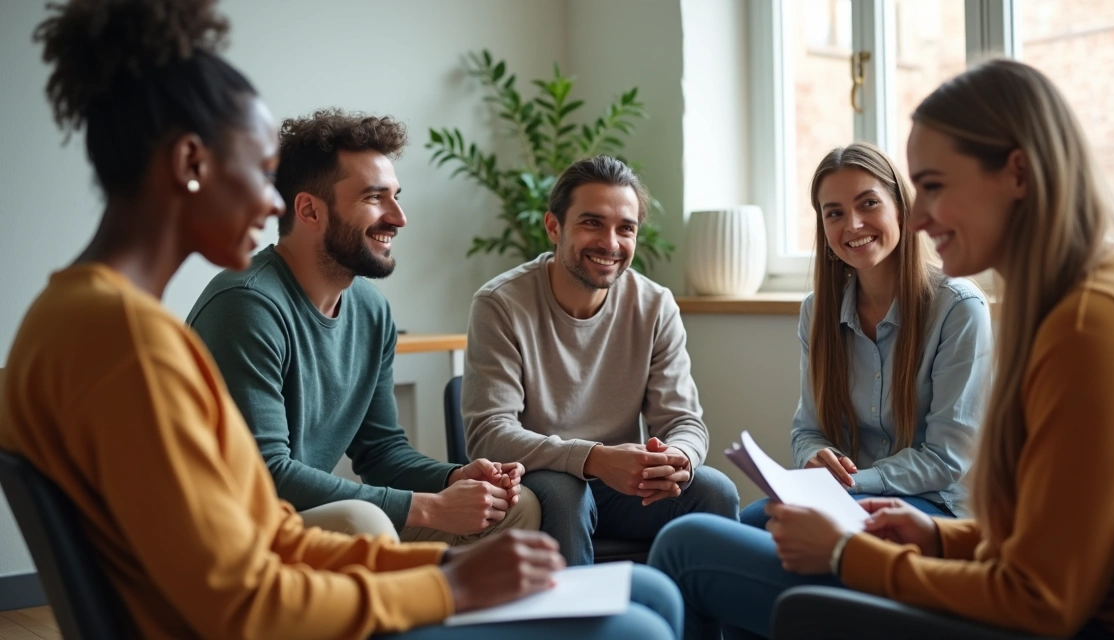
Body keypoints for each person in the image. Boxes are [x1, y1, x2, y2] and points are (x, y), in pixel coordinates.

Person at [0, 2, 681, 638]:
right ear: (191, 164)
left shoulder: (96, 318)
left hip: (283, 596)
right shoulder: (131, 345)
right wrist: (450, 588)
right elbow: (242, 596)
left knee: (652, 599)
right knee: (640, 623)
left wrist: (445, 564)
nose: (274, 203)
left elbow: (269, 529)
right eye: (262, 173)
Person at [649, 58, 1114, 640]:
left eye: (935, 186)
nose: (917, 217)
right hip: (1030, 595)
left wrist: (850, 555)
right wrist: (939, 538)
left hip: (1059, 626)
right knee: (742, 537)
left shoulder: (1093, 327)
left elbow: (1044, 599)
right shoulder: (1088, 301)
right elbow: (1050, 532)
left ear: (1017, 174)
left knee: (689, 547)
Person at [187, 108, 540, 545]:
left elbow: (382, 453)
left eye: (396, 195)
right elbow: (265, 474)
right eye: (375, 198)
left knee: (517, 505)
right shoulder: (245, 306)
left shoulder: (371, 312)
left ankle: (443, 606)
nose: (399, 216)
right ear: (309, 211)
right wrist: (429, 507)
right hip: (234, 533)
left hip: (300, 524)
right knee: (363, 523)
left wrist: (455, 478)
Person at [462, 155, 739, 565]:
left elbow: (684, 420)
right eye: (592, 223)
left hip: (626, 487)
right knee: (563, 492)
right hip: (544, 483)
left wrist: (678, 457)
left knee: (715, 489)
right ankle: (581, 626)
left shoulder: (655, 306)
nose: (611, 243)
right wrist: (594, 459)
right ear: (554, 227)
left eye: (625, 228)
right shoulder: (500, 304)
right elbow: (489, 433)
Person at [739, 142, 991, 530]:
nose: (853, 224)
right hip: (845, 496)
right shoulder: (817, 310)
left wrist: (845, 482)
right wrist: (816, 456)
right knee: (748, 521)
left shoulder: (958, 307)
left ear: (901, 209)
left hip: (936, 509)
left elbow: (946, 459)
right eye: (834, 213)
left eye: (868, 203)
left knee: (772, 534)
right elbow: (808, 430)